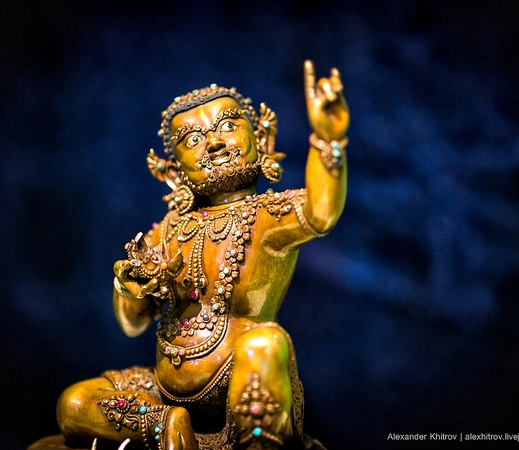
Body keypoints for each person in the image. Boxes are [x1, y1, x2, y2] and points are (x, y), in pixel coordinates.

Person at [55, 60, 349, 450]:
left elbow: (320, 212)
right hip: (165, 393)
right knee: (75, 403)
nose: (213, 143)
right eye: (192, 139)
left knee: (265, 344)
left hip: (242, 382)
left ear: (261, 138)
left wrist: (328, 140)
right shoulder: (168, 230)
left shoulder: (267, 216)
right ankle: (168, 427)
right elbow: (132, 323)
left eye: (227, 126)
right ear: (175, 171)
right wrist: (130, 287)